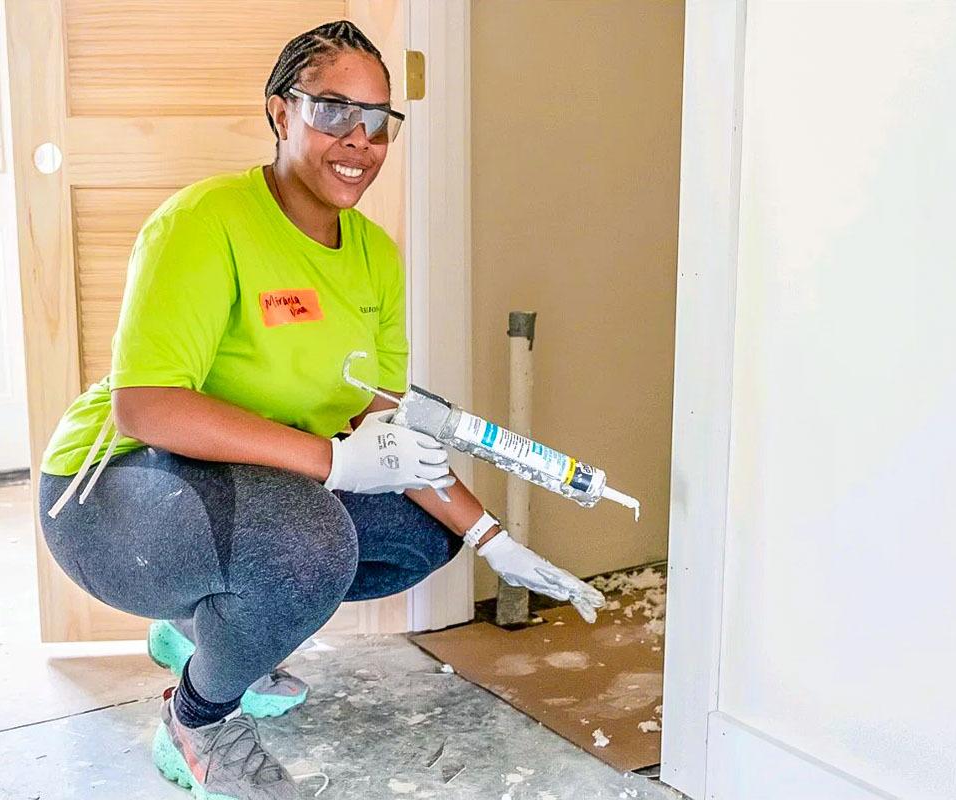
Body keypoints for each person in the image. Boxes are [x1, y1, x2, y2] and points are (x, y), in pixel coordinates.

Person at [37, 20, 604, 800]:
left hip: (244, 490)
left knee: (416, 536)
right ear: (280, 111)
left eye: (379, 121)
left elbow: (385, 422)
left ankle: (202, 634)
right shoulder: (204, 223)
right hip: (113, 496)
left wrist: (489, 536)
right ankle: (200, 722)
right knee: (306, 543)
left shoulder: (374, 255)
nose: (360, 140)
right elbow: (145, 406)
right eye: (335, 110)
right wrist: (335, 462)